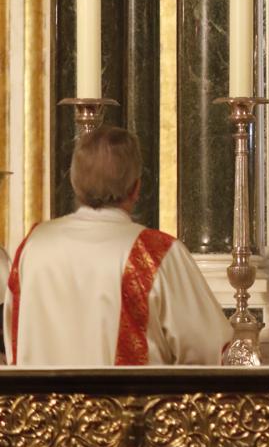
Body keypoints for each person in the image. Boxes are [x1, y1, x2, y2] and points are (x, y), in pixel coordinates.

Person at [4, 126, 232, 367]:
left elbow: (12, 336)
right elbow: (209, 348)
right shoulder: (154, 252)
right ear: (136, 188)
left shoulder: (34, 245)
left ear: (75, 183)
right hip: (128, 405)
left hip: (42, 403)